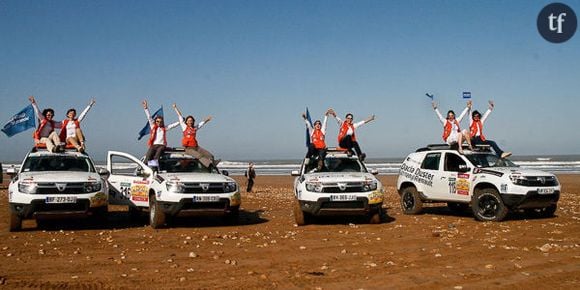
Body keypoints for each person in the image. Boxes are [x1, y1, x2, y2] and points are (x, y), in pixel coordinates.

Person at [172, 103, 216, 168]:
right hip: (188, 148)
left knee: (210, 156)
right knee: (199, 156)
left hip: (196, 147)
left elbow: (201, 123)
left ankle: (213, 165)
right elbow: (180, 116)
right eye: (189, 120)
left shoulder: (194, 128)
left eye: (191, 120)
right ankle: (209, 166)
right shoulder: (184, 127)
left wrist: (207, 119)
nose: (190, 122)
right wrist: (175, 108)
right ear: (186, 122)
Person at [142, 100, 180, 168]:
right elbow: (149, 118)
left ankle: (154, 168)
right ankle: (145, 167)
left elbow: (173, 125)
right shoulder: (153, 126)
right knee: (148, 156)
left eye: (160, 121)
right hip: (153, 145)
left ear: (162, 122)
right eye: (157, 121)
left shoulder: (165, 128)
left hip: (161, 145)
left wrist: (180, 121)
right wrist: (146, 108)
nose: (159, 122)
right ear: (155, 121)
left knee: (157, 156)